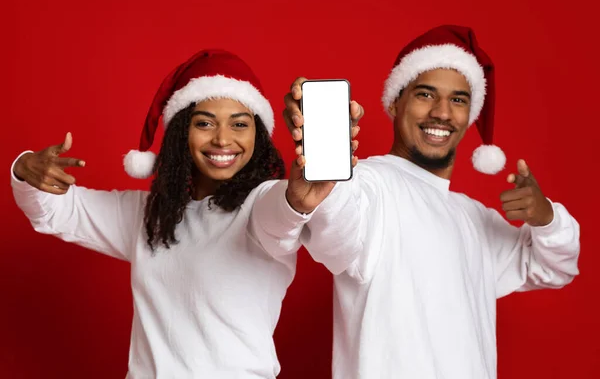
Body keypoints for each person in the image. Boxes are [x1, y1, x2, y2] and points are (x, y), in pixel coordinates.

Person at [251, 25, 581, 379]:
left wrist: (545, 217)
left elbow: (554, 268)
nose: (441, 112)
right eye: (425, 94)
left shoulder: (473, 217)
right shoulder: (370, 184)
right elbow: (337, 236)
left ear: (470, 115)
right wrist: (329, 173)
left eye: (458, 99)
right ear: (395, 102)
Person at [10, 49, 319, 378]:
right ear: (180, 132)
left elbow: (286, 213)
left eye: (239, 124)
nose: (223, 139)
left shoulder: (261, 205)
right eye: (204, 123)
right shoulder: (149, 214)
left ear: (257, 135)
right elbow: (55, 211)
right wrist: (25, 169)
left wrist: (300, 198)